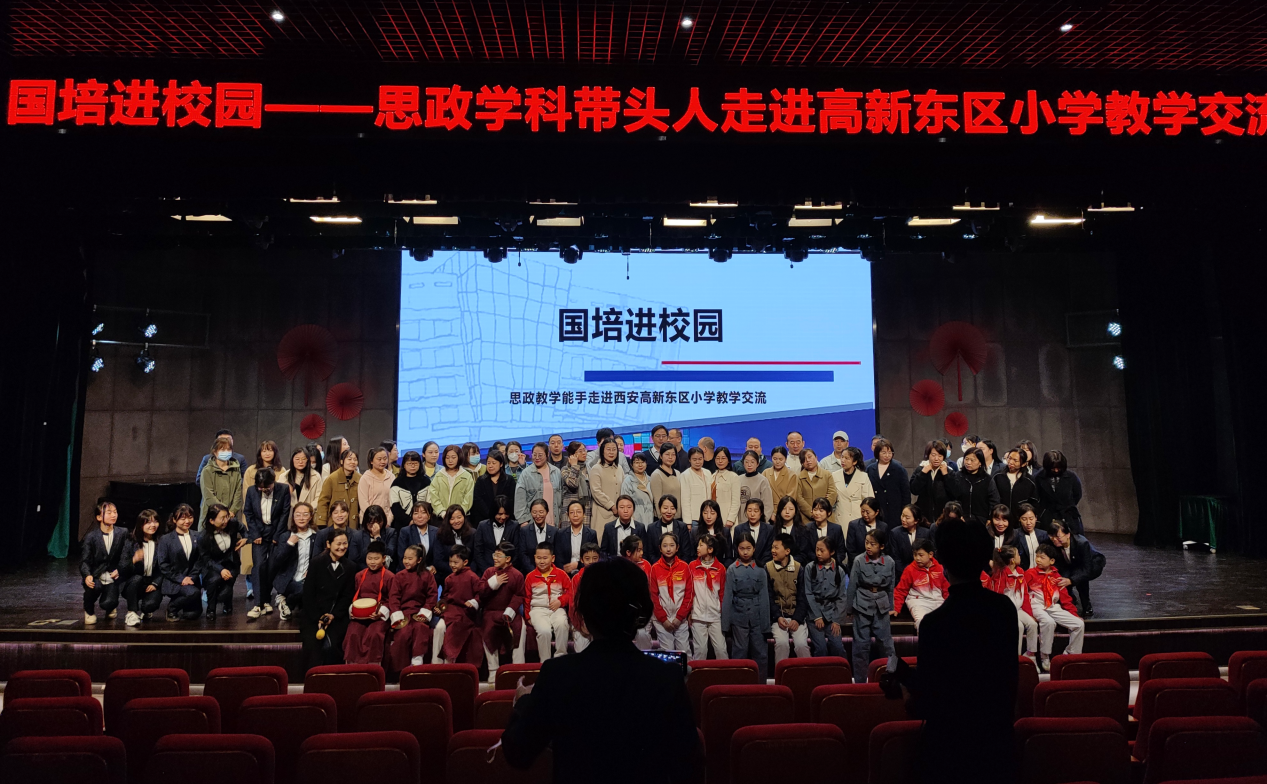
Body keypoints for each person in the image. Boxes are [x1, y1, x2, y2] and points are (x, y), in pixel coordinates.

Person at [501, 558, 699, 784]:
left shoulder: (558, 674)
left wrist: (523, 702)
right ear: (641, 612)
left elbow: (518, 753)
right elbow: (688, 763)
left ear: (584, 612)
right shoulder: (667, 678)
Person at [904, 517, 1018, 784]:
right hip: (997, 746)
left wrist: (907, 689)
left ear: (943, 562)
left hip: (948, 752)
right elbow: (1006, 682)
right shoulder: (1004, 609)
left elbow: (927, 703)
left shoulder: (934, 624)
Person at [846, 529, 896, 683]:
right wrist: (849, 609)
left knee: (887, 645)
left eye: (872, 544)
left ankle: (891, 679)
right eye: (867, 542)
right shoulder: (859, 560)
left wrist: (891, 607)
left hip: (881, 605)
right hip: (862, 604)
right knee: (861, 646)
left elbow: (891, 587)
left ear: (881, 546)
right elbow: (852, 585)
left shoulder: (890, 562)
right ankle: (860, 682)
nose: (868, 546)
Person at [301, 529, 356, 668]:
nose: (342, 547)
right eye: (338, 543)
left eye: (345, 543)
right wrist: (318, 617)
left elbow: (347, 596)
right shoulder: (316, 563)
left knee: (335, 645)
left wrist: (333, 615)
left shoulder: (351, 567)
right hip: (314, 615)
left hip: (337, 616)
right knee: (313, 646)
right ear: (328, 544)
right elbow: (308, 594)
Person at [1026, 543, 1086, 670]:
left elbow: (1065, 599)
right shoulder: (1030, 574)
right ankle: (1045, 656)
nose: (1038, 560)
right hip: (1036, 605)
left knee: (1079, 624)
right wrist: (1028, 613)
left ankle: (1070, 655)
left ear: (1051, 561)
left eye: (1042, 557)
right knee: (1049, 622)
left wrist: (1074, 614)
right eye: (1037, 556)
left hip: (1053, 606)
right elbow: (1023, 594)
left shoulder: (1057, 577)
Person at [722, 532, 772, 681]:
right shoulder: (732, 569)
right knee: (739, 652)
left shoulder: (760, 569)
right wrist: (725, 624)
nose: (745, 552)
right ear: (737, 549)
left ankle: (761, 685)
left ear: (754, 549)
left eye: (748, 548)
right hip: (738, 616)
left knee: (760, 653)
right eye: (742, 548)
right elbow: (728, 596)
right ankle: (739, 685)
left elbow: (764, 597)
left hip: (757, 616)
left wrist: (766, 625)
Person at [245, 467, 291, 618]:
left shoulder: (283, 489)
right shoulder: (252, 491)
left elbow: (284, 513)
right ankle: (258, 604)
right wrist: (255, 534)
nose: (264, 490)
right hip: (259, 532)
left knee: (271, 567)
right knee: (259, 566)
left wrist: (277, 535)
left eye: (267, 487)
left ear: (273, 482)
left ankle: (266, 600)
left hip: (276, 531)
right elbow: (248, 513)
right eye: (261, 488)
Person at [478, 541, 526, 681]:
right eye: (495, 555)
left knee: (521, 628)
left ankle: (518, 668)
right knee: (487, 630)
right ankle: (493, 670)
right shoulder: (489, 572)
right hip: (491, 612)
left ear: (508, 558)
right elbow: (481, 592)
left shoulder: (517, 575)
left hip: (509, 613)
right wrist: (493, 583)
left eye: (499, 556)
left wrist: (510, 611)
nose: (495, 558)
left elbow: (519, 595)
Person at [386, 543, 439, 669]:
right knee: (403, 634)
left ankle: (417, 661)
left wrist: (424, 612)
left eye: (410, 559)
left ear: (419, 560)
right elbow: (394, 597)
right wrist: (397, 614)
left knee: (420, 628)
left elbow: (432, 596)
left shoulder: (427, 575)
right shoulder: (399, 576)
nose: (406, 561)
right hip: (403, 614)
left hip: (419, 613)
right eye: (405, 558)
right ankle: (401, 668)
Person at [342, 540, 393, 665]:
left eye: (376, 558)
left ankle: (374, 668)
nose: (372, 562)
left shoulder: (390, 576)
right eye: (369, 558)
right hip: (360, 616)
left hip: (378, 616)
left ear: (383, 558)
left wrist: (381, 613)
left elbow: (392, 599)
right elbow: (354, 596)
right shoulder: (359, 575)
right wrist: (353, 610)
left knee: (374, 634)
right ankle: (352, 669)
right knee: (353, 633)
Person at [983, 545, 1039, 659]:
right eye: (1018, 554)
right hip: (1006, 611)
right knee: (1019, 627)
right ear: (1012, 560)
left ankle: (1030, 655)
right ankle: (1016, 657)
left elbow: (1025, 594)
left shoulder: (1021, 572)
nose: (1020, 556)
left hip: (1018, 609)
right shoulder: (1000, 575)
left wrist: (1030, 614)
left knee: (1033, 624)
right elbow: (996, 596)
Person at [432, 544, 484, 665]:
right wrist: (440, 608)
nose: (452, 565)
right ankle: (436, 663)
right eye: (450, 562)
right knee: (439, 628)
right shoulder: (449, 578)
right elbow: (444, 598)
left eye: (456, 562)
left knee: (453, 630)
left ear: (465, 562)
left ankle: (449, 663)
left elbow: (480, 596)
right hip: (449, 612)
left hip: (465, 614)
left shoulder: (473, 577)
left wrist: (473, 603)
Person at [524, 541, 572, 661]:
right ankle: (545, 662)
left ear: (553, 558)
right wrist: (527, 616)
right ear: (534, 558)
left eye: (545, 558)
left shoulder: (561, 574)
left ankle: (561, 658)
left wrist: (561, 601)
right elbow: (526, 598)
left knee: (562, 625)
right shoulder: (530, 576)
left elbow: (570, 593)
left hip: (557, 608)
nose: (542, 561)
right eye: (539, 558)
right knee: (544, 631)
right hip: (538, 610)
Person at [271, 501, 319, 620]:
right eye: (298, 514)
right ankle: (286, 601)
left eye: (305, 514)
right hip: (288, 579)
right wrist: (289, 544)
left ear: (311, 517)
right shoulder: (285, 536)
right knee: (305, 591)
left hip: (307, 578)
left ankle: (286, 602)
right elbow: (277, 562)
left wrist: (312, 570)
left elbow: (319, 558)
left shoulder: (316, 536)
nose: (301, 518)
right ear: (293, 517)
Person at [767, 533, 810, 664]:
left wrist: (797, 619)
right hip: (778, 618)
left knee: (801, 645)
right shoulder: (768, 568)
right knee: (782, 644)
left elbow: (803, 596)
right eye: (772, 547)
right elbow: (769, 597)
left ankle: (808, 673)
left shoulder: (799, 568)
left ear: (787, 551)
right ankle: (780, 675)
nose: (773, 550)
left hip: (796, 617)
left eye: (776, 547)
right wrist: (778, 617)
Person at [81, 499, 125, 625]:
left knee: (108, 603)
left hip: (113, 576)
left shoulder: (122, 533)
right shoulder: (91, 537)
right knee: (93, 587)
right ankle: (89, 610)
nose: (113, 515)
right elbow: (85, 560)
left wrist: (119, 570)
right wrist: (87, 575)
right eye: (109, 512)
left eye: (115, 512)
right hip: (97, 575)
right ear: (99, 517)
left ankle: (110, 605)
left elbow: (125, 556)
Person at [802, 537, 848, 657]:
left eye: (822, 550)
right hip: (814, 615)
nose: (818, 553)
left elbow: (842, 597)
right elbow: (808, 593)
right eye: (817, 549)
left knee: (838, 647)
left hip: (832, 614)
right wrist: (817, 616)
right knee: (821, 648)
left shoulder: (839, 571)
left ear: (831, 552)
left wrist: (837, 620)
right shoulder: (810, 568)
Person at [1049, 519, 1105, 618]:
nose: (1054, 539)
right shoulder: (1052, 543)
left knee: (1080, 578)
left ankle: (1087, 606)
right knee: (1062, 578)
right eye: (1051, 536)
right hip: (1070, 563)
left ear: (1068, 534)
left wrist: (1071, 580)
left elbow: (1086, 569)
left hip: (1092, 564)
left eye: (1058, 537)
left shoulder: (1081, 543)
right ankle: (1069, 599)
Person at [199, 502, 245, 620]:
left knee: (225, 590)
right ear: (212, 521)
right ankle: (211, 609)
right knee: (214, 581)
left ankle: (227, 604)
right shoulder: (204, 537)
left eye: (227, 517)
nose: (226, 520)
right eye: (222, 518)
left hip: (231, 563)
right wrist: (220, 570)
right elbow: (206, 559)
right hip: (213, 566)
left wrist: (245, 538)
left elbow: (243, 529)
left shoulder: (232, 523)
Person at [157, 503, 202, 621]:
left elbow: (200, 560)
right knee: (193, 593)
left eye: (190, 517)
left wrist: (191, 577)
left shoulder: (197, 536)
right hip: (174, 580)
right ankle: (172, 607)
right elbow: (163, 565)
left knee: (192, 615)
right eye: (183, 518)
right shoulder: (165, 539)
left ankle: (182, 600)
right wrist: (181, 579)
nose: (187, 521)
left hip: (191, 580)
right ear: (174, 520)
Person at [649, 532, 693, 651]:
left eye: (672, 545)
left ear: (677, 547)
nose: (668, 549)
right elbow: (653, 596)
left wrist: (680, 617)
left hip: (680, 619)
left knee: (684, 651)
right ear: (660, 548)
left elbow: (689, 595)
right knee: (668, 651)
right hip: (661, 620)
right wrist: (663, 619)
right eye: (665, 546)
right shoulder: (655, 568)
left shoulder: (685, 567)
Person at [892, 539, 949, 632]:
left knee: (947, 622)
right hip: (918, 602)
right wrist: (896, 608)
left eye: (921, 555)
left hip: (938, 601)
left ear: (930, 554)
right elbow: (900, 590)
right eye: (915, 555)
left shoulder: (940, 568)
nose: (917, 558)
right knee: (922, 622)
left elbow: (946, 589)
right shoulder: (909, 570)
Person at [121, 509, 164, 627]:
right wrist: (134, 560)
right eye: (148, 522)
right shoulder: (131, 541)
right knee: (137, 578)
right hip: (133, 582)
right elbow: (122, 567)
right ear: (141, 525)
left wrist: (156, 583)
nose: (153, 525)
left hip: (151, 582)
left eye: (155, 521)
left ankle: (146, 610)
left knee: (150, 605)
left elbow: (165, 567)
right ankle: (131, 612)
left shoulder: (162, 542)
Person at [688, 534, 726, 659]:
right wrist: (690, 612)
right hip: (698, 616)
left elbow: (722, 594)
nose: (697, 548)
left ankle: (726, 672)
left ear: (710, 549)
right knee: (700, 651)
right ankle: (698, 673)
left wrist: (723, 613)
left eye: (701, 545)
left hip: (716, 616)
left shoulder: (720, 569)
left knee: (721, 650)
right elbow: (689, 592)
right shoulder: (692, 566)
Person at [910, 440, 963, 522]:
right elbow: (914, 490)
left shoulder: (949, 471)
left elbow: (956, 493)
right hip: (924, 516)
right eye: (933, 455)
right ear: (928, 455)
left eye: (940, 456)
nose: (936, 459)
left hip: (943, 516)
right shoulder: (921, 469)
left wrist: (946, 475)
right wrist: (923, 473)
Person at [1036, 450, 1085, 534]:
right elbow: (1037, 497)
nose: (1056, 470)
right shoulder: (1039, 477)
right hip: (1047, 517)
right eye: (1053, 468)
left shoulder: (1071, 476)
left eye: (1059, 468)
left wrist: (1067, 506)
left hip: (1068, 516)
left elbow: (1077, 494)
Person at [200, 435, 244, 528]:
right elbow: (209, 496)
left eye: (228, 449)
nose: (226, 452)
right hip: (212, 516)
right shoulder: (207, 470)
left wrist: (232, 511)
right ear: (215, 452)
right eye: (222, 449)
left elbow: (238, 493)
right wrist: (223, 512)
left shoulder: (236, 470)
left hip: (230, 517)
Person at [867, 438, 910, 531]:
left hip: (894, 510)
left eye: (890, 453)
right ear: (877, 453)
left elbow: (906, 493)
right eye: (883, 452)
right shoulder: (870, 469)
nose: (887, 455)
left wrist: (904, 512)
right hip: (876, 509)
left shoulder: (899, 469)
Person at [515, 443, 563, 526]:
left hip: (554, 523)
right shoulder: (526, 474)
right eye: (534, 455)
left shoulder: (556, 472)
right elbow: (519, 500)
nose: (537, 458)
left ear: (547, 455)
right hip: (532, 523)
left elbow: (561, 498)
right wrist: (523, 521)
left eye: (540, 455)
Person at [567, 543, 603, 653]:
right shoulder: (576, 579)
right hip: (581, 623)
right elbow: (573, 605)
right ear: (581, 560)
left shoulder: (605, 578)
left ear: (599, 559)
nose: (591, 561)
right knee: (581, 652)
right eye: (587, 558)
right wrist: (580, 625)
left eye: (595, 558)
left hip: (600, 623)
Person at [589, 437, 625, 542]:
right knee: (602, 542)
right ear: (602, 451)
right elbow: (596, 491)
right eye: (608, 449)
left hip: (618, 513)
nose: (611, 452)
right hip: (602, 513)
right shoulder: (596, 468)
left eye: (614, 449)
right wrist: (612, 506)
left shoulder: (619, 468)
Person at [473, 494, 519, 575]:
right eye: (500, 514)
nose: (503, 517)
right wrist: (488, 572)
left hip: (507, 573)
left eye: (506, 513)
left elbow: (517, 552)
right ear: (493, 512)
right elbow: (478, 552)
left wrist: (506, 570)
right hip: (486, 571)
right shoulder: (482, 526)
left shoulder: (514, 526)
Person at [315, 500, 367, 572]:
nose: (339, 515)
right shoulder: (322, 534)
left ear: (348, 513)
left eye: (343, 512)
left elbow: (357, 560)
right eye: (336, 512)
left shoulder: (355, 534)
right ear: (331, 515)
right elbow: (316, 557)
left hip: (349, 572)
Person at [394, 500, 441, 576]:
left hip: (430, 573)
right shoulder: (405, 531)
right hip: (409, 572)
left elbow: (438, 555)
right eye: (416, 513)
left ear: (429, 515)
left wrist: (433, 566)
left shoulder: (436, 531)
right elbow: (401, 556)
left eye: (423, 512)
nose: (419, 516)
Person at [553, 500, 598, 576]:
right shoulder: (560, 533)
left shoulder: (591, 534)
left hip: (586, 573)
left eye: (579, 512)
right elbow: (558, 558)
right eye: (572, 512)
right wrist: (564, 572)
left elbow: (593, 558)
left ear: (584, 514)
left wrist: (578, 565)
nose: (575, 515)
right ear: (567, 515)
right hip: (565, 574)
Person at [795, 448, 838, 528]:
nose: (808, 460)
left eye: (810, 457)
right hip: (806, 519)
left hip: (826, 518)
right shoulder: (798, 477)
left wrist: (823, 511)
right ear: (802, 463)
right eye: (804, 459)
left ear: (816, 457)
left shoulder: (827, 474)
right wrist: (812, 513)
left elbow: (832, 493)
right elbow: (798, 498)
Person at [317, 448, 360, 527]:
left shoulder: (360, 479)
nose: (353, 462)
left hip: (354, 525)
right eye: (349, 459)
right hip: (335, 524)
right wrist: (321, 523)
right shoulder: (332, 479)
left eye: (355, 459)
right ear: (342, 461)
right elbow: (323, 501)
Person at [831, 445, 874, 525]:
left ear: (854, 462)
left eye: (847, 458)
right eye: (842, 457)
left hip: (857, 517)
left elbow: (869, 499)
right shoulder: (834, 475)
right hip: (840, 517)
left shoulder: (863, 476)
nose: (843, 460)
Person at [995, 448, 1040, 523]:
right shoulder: (997, 476)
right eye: (1009, 458)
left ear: (1023, 464)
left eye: (1015, 460)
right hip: (1001, 519)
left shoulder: (1029, 480)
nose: (1011, 462)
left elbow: (1034, 502)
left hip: (1020, 520)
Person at [389, 450, 431, 530]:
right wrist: (409, 521)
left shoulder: (426, 481)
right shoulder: (397, 482)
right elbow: (395, 506)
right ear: (404, 465)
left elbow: (429, 503)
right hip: (402, 525)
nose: (412, 466)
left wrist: (422, 519)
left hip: (424, 523)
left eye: (415, 463)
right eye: (409, 464)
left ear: (420, 464)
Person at [645, 495, 691, 566]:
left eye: (672, 508)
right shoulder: (651, 528)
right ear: (659, 508)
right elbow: (650, 554)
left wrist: (677, 566)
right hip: (658, 567)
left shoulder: (682, 527)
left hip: (679, 568)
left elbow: (686, 553)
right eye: (665, 508)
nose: (669, 511)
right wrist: (660, 566)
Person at [430, 444, 475, 516]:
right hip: (441, 517)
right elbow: (433, 496)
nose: (450, 460)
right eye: (447, 458)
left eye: (453, 457)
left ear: (459, 457)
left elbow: (468, 499)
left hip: (461, 517)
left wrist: (458, 514)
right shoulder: (439, 475)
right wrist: (442, 512)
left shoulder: (467, 476)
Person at [888, 504, 930, 578]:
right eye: (902, 515)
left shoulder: (925, 533)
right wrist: (907, 574)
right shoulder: (895, 533)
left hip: (923, 573)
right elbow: (896, 558)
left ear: (916, 521)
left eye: (907, 518)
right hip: (903, 574)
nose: (903, 519)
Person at [516, 499, 557, 574]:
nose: (537, 515)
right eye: (534, 512)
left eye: (541, 512)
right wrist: (534, 572)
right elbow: (522, 554)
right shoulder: (524, 531)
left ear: (547, 512)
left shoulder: (554, 531)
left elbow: (557, 554)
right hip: (529, 572)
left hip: (550, 573)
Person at [358, 446, 396, 527]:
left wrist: (388, 520)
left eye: (385, 458)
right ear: (371, 461)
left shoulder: (391, 477)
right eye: (379, 459)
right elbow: (363, 503)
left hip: (387, 522)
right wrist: (374, 520)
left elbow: (394, 501)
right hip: (369, 522)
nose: (383, 461)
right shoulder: (365, 478)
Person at [845, 497, 886, 571]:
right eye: (862, 511)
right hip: (858, 566)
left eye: (867, 512)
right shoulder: (853, 525)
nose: (864, 514)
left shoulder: (883, 526)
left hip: (878, 567)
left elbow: (885, 549)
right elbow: (851, 550)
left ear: (876, 512)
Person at [435, 504, 475, 580]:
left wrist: (467, 573)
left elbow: (476, 558)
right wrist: (455, 571)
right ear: (448, 520)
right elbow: (438, 561)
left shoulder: (473, 533)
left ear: (464, 517)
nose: (456, 521)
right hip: (448, 575)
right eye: (452, 519)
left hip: (469, 575)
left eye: (459, 517)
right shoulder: (440, 535)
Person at [959, 447, 1000, 520]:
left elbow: (994, 501)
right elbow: (953, 499)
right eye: (966, 459)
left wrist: (990, 518)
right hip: (961, 519)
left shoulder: (987, 479)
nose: (968, 462)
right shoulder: (957, 477)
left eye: (972, 460)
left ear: (980, 462)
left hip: (981, 521)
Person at [677, 446, 714, 528]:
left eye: (700, 459)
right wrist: (687, 522)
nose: (698, 462)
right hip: (694, 519)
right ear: (689, 460)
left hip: (708, 517)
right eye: (694, 459)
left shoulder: (708, 473)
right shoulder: (685, 475)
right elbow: (685, 500)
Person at [733, 498, 775, 566]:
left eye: (756, 511)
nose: (752, 514)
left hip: (764, 566)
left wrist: (759, 567)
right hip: (744, 566)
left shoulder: (769, 529)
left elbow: (768, 552)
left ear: (761, 513)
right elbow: (736, 552)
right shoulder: (739, 529)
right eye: (749, 511)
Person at [736, 450, 774, 525]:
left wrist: (763, 522)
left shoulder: (763, 480)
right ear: (743, 463)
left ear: (757, 464)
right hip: (740, 523)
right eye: (746, 462)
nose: (749, 465)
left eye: (752, 462)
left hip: (758, 523)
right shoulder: (738, 479)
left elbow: (768, 505)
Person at [773, 495, 814, 564]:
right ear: (779, 510)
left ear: (795, 511)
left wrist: (788, 562)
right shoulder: (773, 530)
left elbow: (804, 554)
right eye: (784, 509)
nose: (787, 512)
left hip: (797, 566)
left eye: (791, 509)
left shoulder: (803, 531)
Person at [282, 446, 323, 513]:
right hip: (290, 514)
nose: (300, 462)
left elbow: (319, 497)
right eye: (297, 459)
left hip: (310, 513)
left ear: (308, 460)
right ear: (292, 460)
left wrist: (307, 510)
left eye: (303, 459)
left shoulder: (316, 476)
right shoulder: (284, 477)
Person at [559, 441, 591, 526]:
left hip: (586, 507)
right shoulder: (565, 469)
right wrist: (574, 466)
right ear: (572, 455)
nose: (584, 453)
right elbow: (573, 484)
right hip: (570, 509)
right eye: (580, 451)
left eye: (584, 450)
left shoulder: (589, 469)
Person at [620, 452, 656, 527]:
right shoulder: (628, 481)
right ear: (631, 465)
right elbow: (625, 501)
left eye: (642, 462)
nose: (640, 465)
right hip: (635, 517)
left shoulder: (651, 479)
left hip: (650, 517)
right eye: (637, 462)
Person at [808, 497, 847, 567]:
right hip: (813, 565)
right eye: (815, 510)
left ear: (829, 513)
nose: (817, 513)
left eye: (821, 510)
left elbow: (841, 552)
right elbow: (806, 551)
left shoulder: (836, 529)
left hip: (833, 566)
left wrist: (832, 561)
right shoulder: (807, 528)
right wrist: (819, 561)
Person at [694, 499, 732, 567]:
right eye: (705, 513)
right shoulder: (695, 531)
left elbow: (729, 557)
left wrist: (723, 569)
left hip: (719, 568)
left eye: (712, 513)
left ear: (717, 515)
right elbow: (691, 555)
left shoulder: (725, 531)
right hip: (699, 568)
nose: (708, 516)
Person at [710, 447, 741, 528]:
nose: (720, 461)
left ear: (728, 460)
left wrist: (731, 519)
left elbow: (736, 501)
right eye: (717, 458)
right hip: (712, 518)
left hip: (727, 518)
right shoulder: (712, 476)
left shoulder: (733, 477)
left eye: (723, 458)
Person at [649, 445, 682, 519]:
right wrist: (662, 519)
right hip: (664, 518)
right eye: (667, 454)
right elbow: (657, 500)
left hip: (678, 517)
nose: (670, 457)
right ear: (661, 456)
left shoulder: (678, 473)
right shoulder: (656, 475)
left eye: (673, 454)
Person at [1013, 503, 1049, 571]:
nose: (1028, 523)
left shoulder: (1044, 535)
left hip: (1042, 572)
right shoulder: (1015, 535)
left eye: (1031, 518)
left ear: (1036, 518)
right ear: (1019, 519)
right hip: (1023, 573)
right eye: (1024, 519)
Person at [360, 506, 398, 570]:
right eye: (371, 522)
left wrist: (377, 537)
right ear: (366, 522)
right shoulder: (358, 535)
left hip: (385, 570)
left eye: (378, 522)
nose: (375, 525)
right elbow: (356, 559)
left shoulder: (391, 532)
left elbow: (390, 552)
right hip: (364, 570)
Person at [763, 446, 798, 515]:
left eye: (781, 459)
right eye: (775, 459)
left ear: (785, 459)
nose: (777, 462)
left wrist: (779, 512)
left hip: (784, 511)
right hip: (767, 510)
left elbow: (791, 497)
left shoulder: (792, 475)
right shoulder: (765, 473)